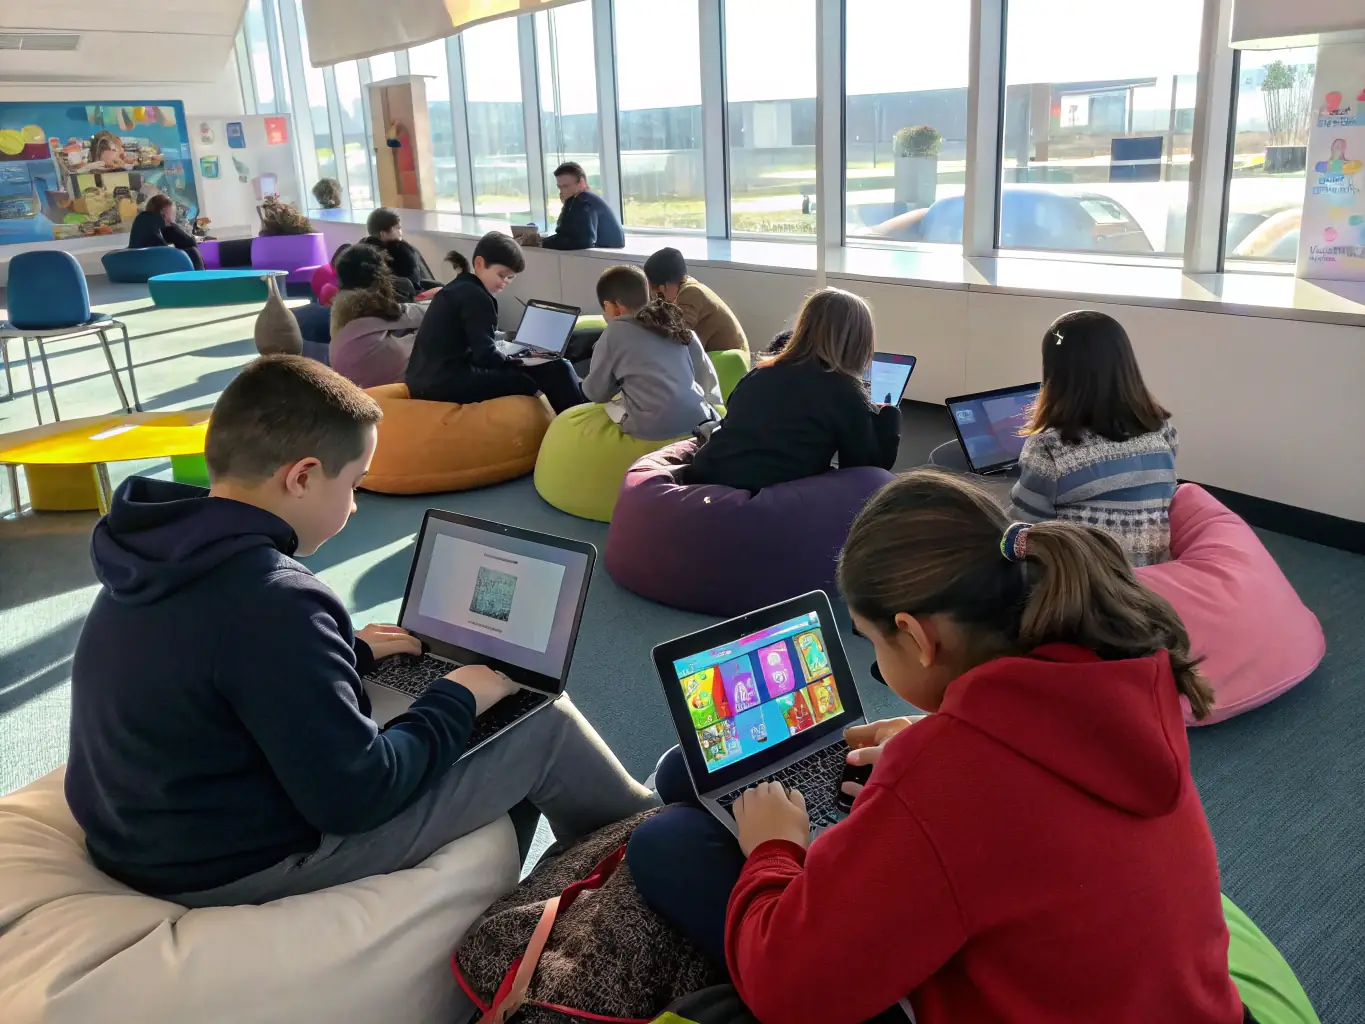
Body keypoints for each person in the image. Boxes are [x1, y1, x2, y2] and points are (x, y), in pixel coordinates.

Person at [625, 470, 1248, 1024]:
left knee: (664, 840)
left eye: (871, 647)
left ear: (917, 638)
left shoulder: (947, 776)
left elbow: (786, 993)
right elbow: (1024, 798)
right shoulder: (1121, 677)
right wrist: (934, 738)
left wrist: (773, 849)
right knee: (689, 772)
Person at [64, 355, 655, 908]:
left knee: (426, 706)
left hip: (135, 838)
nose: (353, 508)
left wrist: (346, 653)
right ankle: (639, 842)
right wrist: (458, 697)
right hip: (229, 869)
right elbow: (357, 795)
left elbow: (211, 660)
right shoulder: (275, 600)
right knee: (540, 724)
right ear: (302, 476)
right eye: (353, 485)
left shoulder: (152, 551)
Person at [685, 288, 899, 493]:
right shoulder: (846, 392)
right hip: (767, 501)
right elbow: (865, 470)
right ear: (860, 342)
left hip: (706, 481)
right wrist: (889, 417)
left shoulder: (759, 373)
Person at [1009, 310, 1179, 567]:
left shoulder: (1048, 449)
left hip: (1080, 593)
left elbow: (1026, 535)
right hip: (1149, 586)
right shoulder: (1164, 433)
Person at [404, 232, 585, 413]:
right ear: (479, 264)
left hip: (422, 379)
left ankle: (578, 410)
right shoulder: (477, 296)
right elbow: (486, 356)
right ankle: (578, 419)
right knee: (543, 373)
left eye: (510, 278)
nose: (504, 282)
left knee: (549, 366)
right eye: (501, 275)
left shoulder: (458, 286)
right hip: (443, 383)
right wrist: (518, 360)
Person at [581, 265, 722, 441]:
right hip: (698, 416)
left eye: (604, 309)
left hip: (653, 427)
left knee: (612, 406)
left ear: (614, 306)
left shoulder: (615, 332)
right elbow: (705, 379)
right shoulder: (674, 322)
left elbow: (596, 393)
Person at [329, 243, 424, 389]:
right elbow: (417, 314)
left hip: (360, 394)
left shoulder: (342, 317)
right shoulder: (373, 310)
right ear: (382, 277)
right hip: (396, 392)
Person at [642, 247, 748, 356]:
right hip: (725, 353)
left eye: (657, 290)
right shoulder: (687, 286)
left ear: (666, 285)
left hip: (728, 358)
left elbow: (680, 335)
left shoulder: (690, 293)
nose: (658, 296)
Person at [539, 162, 625, 251]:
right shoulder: (578, 200)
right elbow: (565, 234)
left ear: (581, 182)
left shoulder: (584, 201)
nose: (561, 191)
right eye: (559, 187)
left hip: (605, 257)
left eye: (566, 186)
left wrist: (542, 243)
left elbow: (583, 241)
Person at [361, 207, 440, 296]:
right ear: (383, 234)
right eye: (397, 228)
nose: (400, 232)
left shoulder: (362, 252)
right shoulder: (399, 254)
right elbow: (410, 289)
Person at [127, 193, 204, 270]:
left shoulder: (141, 219)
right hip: (155, 263)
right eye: (173, 213)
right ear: (163, 212)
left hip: (136, 262)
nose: (174, 217)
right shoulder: (164, 225)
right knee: (192, 251)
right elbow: (190, 242)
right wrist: (173, 224)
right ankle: (201, 280)